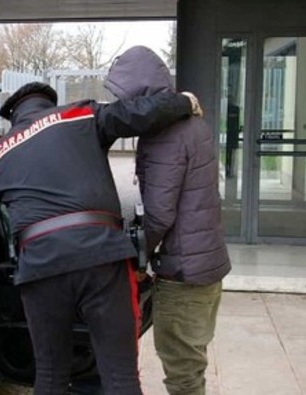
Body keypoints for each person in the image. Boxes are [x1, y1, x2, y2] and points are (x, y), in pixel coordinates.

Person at [0, 81, 202, 395]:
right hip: (103, 257)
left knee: (50, 377)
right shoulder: (80, 115)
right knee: (121, 378)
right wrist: (183, 102)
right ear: (50, 104)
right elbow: (135, 113)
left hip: (41, 268)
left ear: (14, 117)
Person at [105, 46, 232, 395]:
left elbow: (160, 213)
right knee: (193, 359)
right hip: (207, 262)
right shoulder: (192, 122)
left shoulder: (165, 134)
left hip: (184, 273)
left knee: (182, 372)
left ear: (139, 92)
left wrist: (136, 256)